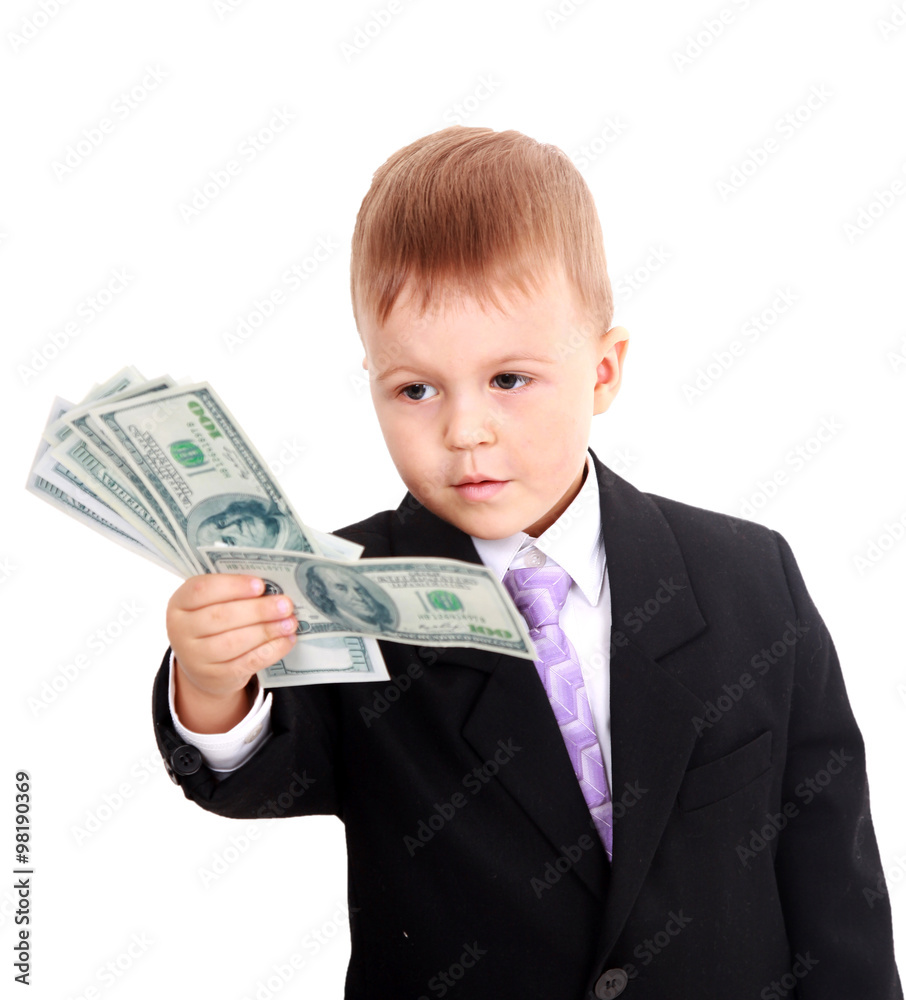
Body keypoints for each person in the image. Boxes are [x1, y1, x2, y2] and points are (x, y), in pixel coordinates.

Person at [153, 126, 902, 999]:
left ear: (603, 371)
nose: (464, 430)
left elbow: (832, 878)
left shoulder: (749, 578)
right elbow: (257, 778)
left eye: (509, 380)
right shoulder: (340, 588)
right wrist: (214, 684)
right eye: (416, 389)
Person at [301, 562, 396, 633]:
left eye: (358, 589)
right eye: (342, 589)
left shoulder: (385, 629)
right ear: (325, 593)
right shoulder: (334, 625)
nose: (358, 597)